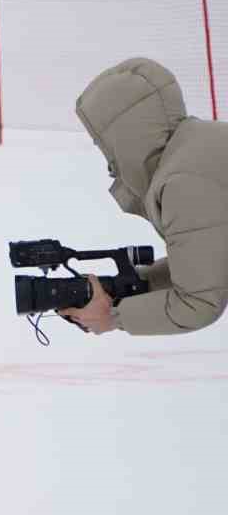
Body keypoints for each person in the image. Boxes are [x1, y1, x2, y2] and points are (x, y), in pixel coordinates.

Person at [61, 57, 227, 336]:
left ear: (124, 135)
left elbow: (198, 303)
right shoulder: (201, 145)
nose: (110, 162)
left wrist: (112, 318)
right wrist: (135, 283)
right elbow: (212, 262)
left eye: (105, 145)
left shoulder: (181, 183)